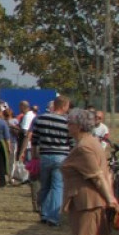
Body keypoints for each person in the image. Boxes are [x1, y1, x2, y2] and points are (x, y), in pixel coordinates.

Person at [61, 109, 118, 235]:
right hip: (95, 199)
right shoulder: (93, 143)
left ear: (78, 125)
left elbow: (97, 176)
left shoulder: (83, 147)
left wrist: (111, 199)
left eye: (69, 123)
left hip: (86, 200)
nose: (67, 126)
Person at [31, 96, 73, 227]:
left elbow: (35, 139)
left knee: (45, 186)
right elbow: (71, 142)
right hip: (61, 156)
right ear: (64, 106)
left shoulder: (41, 119)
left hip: (44, 155)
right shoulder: (67, 122)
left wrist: (34, 156)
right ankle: (53, 217)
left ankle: (43, 213)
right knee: (57, 187)